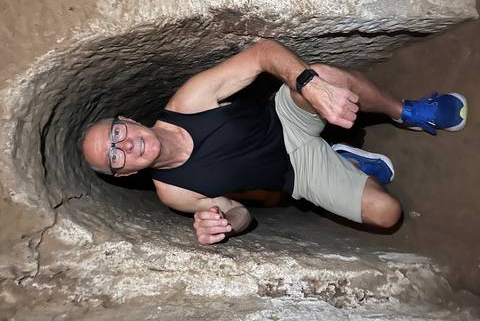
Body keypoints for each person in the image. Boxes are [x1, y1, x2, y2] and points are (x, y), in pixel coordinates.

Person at [80, 40, 467, 245]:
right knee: (387, 214)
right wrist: (221, 224)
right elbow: (242, 216)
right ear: (124, 173)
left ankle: (407, 113)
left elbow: (262, 52)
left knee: (327, 76)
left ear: (127, 120)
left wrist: (310, 86)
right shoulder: (172, 192)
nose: (126, 146)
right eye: (115, 156)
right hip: (295, 174)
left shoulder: (189, 100)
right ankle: (344, 161)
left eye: (117, 134)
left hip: (284, 117)